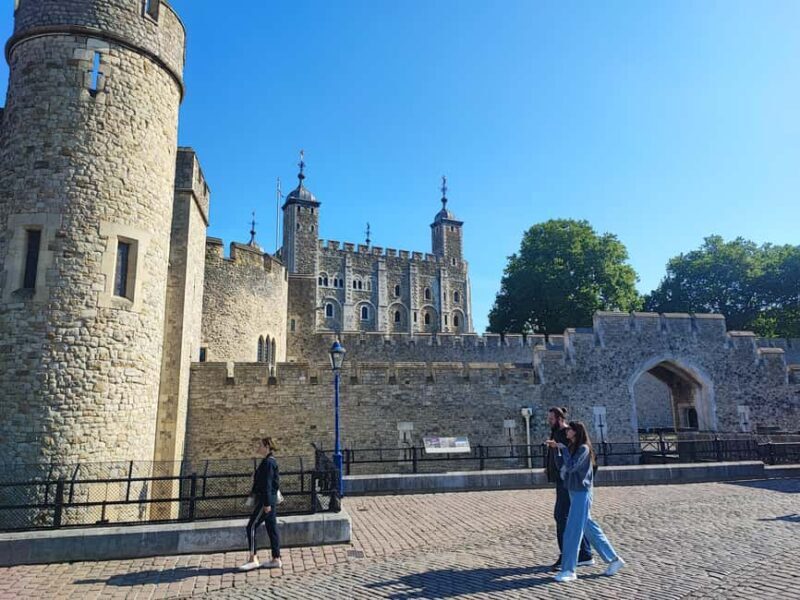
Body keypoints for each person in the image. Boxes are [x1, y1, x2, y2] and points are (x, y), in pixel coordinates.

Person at [547, 421, 625, 583]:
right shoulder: (573, 447)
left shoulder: (583, 448)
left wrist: (562, 449)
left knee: (572, 531)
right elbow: (563, 465)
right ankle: (614, 559)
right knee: (590, 528)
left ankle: (569, 569)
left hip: (582, 493)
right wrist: (558, 450)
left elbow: (571, 467)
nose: (566, 432)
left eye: (569, 430)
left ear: (576, 432)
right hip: (574, 491)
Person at [545, 407, 593, 571]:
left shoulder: (565, 433)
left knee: (563, 516)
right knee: (572, 517)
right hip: (561, 480)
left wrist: (559, 450)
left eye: (551, 419)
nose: (549, 421)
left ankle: (569, 554)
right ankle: (583, 553)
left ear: (559, 418)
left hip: (568, 482)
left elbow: (570, 458)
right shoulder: (556, 433)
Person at [239, 437, 282, 571]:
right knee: (271, 528)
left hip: (266, 501)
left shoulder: (268, 463)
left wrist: (267, 504)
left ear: (267, 447)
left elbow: (268, 484)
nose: (258, 447)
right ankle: (276, 558)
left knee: (251, 526)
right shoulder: (269, 461)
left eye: (261, 445)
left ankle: (253, 559)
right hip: (270, 499)